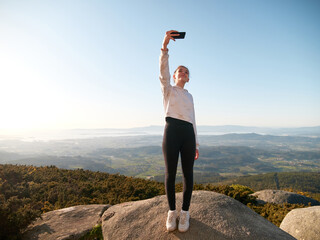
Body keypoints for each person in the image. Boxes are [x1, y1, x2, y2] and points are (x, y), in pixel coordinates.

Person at [159, 30, 199, 232]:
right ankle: (171, 212)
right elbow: (162, 72)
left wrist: (196, 143)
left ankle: (185, 213)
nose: (182, 73)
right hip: (172, 130)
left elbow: (193, 120)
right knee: (170, 174)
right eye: (179, 71)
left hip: (188, 134)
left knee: (188, 175)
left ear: (188, 79)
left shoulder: (190, 97)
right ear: (174, 76)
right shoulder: (169, 90)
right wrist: (165, 46)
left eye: (186, 72)